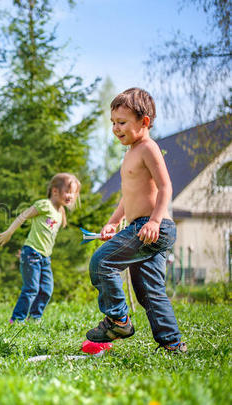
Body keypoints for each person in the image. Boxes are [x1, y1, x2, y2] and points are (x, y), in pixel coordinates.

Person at [86, 88, 186, 353]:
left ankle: (118, 319)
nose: (116, 129)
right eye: (113, 123)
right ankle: (172, 344)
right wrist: (113, 221)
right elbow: (127, 197)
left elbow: (166, 188)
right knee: (149, 291)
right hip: (142, 227)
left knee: (102, 261)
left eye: (122, 122)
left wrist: (153, 222)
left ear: (145, 122)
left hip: (150, 227)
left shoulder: (148, 149)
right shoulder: (130, 152)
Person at [0, 173, 81, 323]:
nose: (71, 196)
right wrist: (9, 233)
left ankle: (34, 318)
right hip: (32, 253)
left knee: (46, 290)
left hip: (45, 257)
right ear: (55, 191)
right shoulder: (44, 205)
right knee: (31, 289)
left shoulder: (60, 212)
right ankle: (16, 320)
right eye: (68, 192)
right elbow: (23, 216)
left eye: (74, 193)